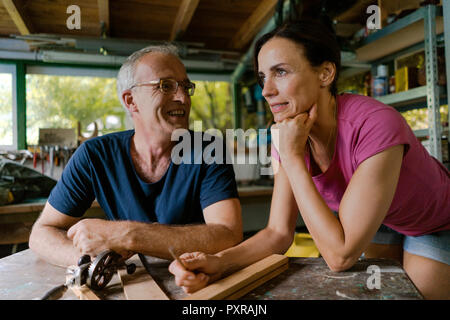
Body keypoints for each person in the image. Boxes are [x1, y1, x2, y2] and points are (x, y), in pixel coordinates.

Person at [168, 18, 450, 299]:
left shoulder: (375, 124)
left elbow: (339, 257)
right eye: (263, 76)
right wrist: (220, 261)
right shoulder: (288, 133)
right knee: (374, 294)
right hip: (377, 218)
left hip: (434, 222)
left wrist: (291, 157)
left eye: (280, 72)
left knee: (417, 296)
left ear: (325, 73)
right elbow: (278, 232)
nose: (266, 90)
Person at [29, 44, 243, 267]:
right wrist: (91, 264)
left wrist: (127, 235)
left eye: (185, 86)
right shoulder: (94, 155)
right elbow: (41, 233)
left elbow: (228, 235)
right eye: (166, 86)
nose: (183, 97)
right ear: (131, 101)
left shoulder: (208, 150)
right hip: (128, 279)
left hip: (195, 281)